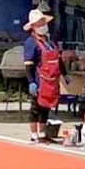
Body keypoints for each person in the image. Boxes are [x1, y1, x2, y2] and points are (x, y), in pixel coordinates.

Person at [24, 8, 69, 143]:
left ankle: (43, 133)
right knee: (35, 107)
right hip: (40, 79)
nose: (43, 25)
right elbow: (28, 65)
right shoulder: (31, 43)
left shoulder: (50, 41)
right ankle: (34, 134)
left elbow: (58, 59)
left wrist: (65, 74)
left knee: (46, 107)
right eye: (39, 23)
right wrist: (31, 82)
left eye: (43, 22)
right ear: (33, 27)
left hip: (52, 80)